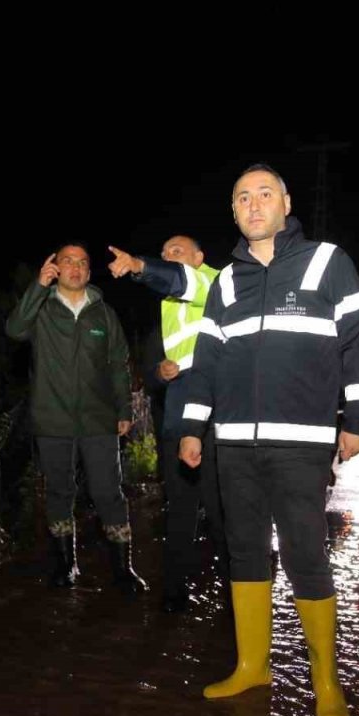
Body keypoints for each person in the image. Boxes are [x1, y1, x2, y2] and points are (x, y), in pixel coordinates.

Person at [178, 164, 359, 716]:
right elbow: (207, 361)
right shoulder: (225, 282)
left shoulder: (326, 262)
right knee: (243, 551)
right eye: (243, 197)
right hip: (235, 444)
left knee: (306, 557)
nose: (254, 203)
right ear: (235, 212)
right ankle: (251, 665)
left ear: (286, 203)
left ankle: (326, 680)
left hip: (302, 445)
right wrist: (193, 427)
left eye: (265, 193)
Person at [5, 242, 146, 594]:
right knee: (59, 491)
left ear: (87, 271)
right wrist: (37, 286)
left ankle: (123, 569)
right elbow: (14, 329)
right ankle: (66, 566)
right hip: (52, 418)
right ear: (56, 267)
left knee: (108, 491)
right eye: (67, 261)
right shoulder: (42, 308)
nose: (75, 268)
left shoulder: (103, 313)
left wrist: (124, 410)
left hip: (99, 419)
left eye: (82, 263)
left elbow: (118, 364)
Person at [107, 236, 228, 613]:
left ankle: (238, 597)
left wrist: (142, 265)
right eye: (164, 254)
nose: (169, 257)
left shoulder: (221, 284)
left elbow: (179, 280)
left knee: (223, 512)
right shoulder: (166, 308)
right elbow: (149, 371)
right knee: (179, 511)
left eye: (176, 252)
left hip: (216, 425)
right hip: (177, 422)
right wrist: (159, 373)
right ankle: (174, 595)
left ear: (199, 257)